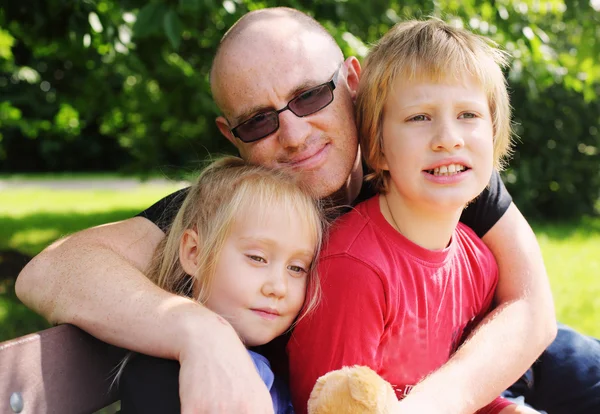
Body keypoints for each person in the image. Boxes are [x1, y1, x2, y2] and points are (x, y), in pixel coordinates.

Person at [14, 7, 598, 414]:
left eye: (309, 96)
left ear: (351, 80)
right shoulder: (237, 213)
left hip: (488, 361)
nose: (292, 134)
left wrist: (438, 403)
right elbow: (53, 269)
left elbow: (531, 306)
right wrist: (199, 331)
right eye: (259, 120)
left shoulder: (427, 157)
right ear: (232, 135)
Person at [288, 18, 538, 414]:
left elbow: (470, 390)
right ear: (379, 148)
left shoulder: (478, 261)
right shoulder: (353, 269)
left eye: (468, 115)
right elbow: (328, 405)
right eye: (419, 117)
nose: (448, 137)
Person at [118, 156, 325, 413]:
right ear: (194, 253)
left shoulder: (266, 364)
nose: (278, 287)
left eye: (296, 268)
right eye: (257, 258)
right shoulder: (167, 379)